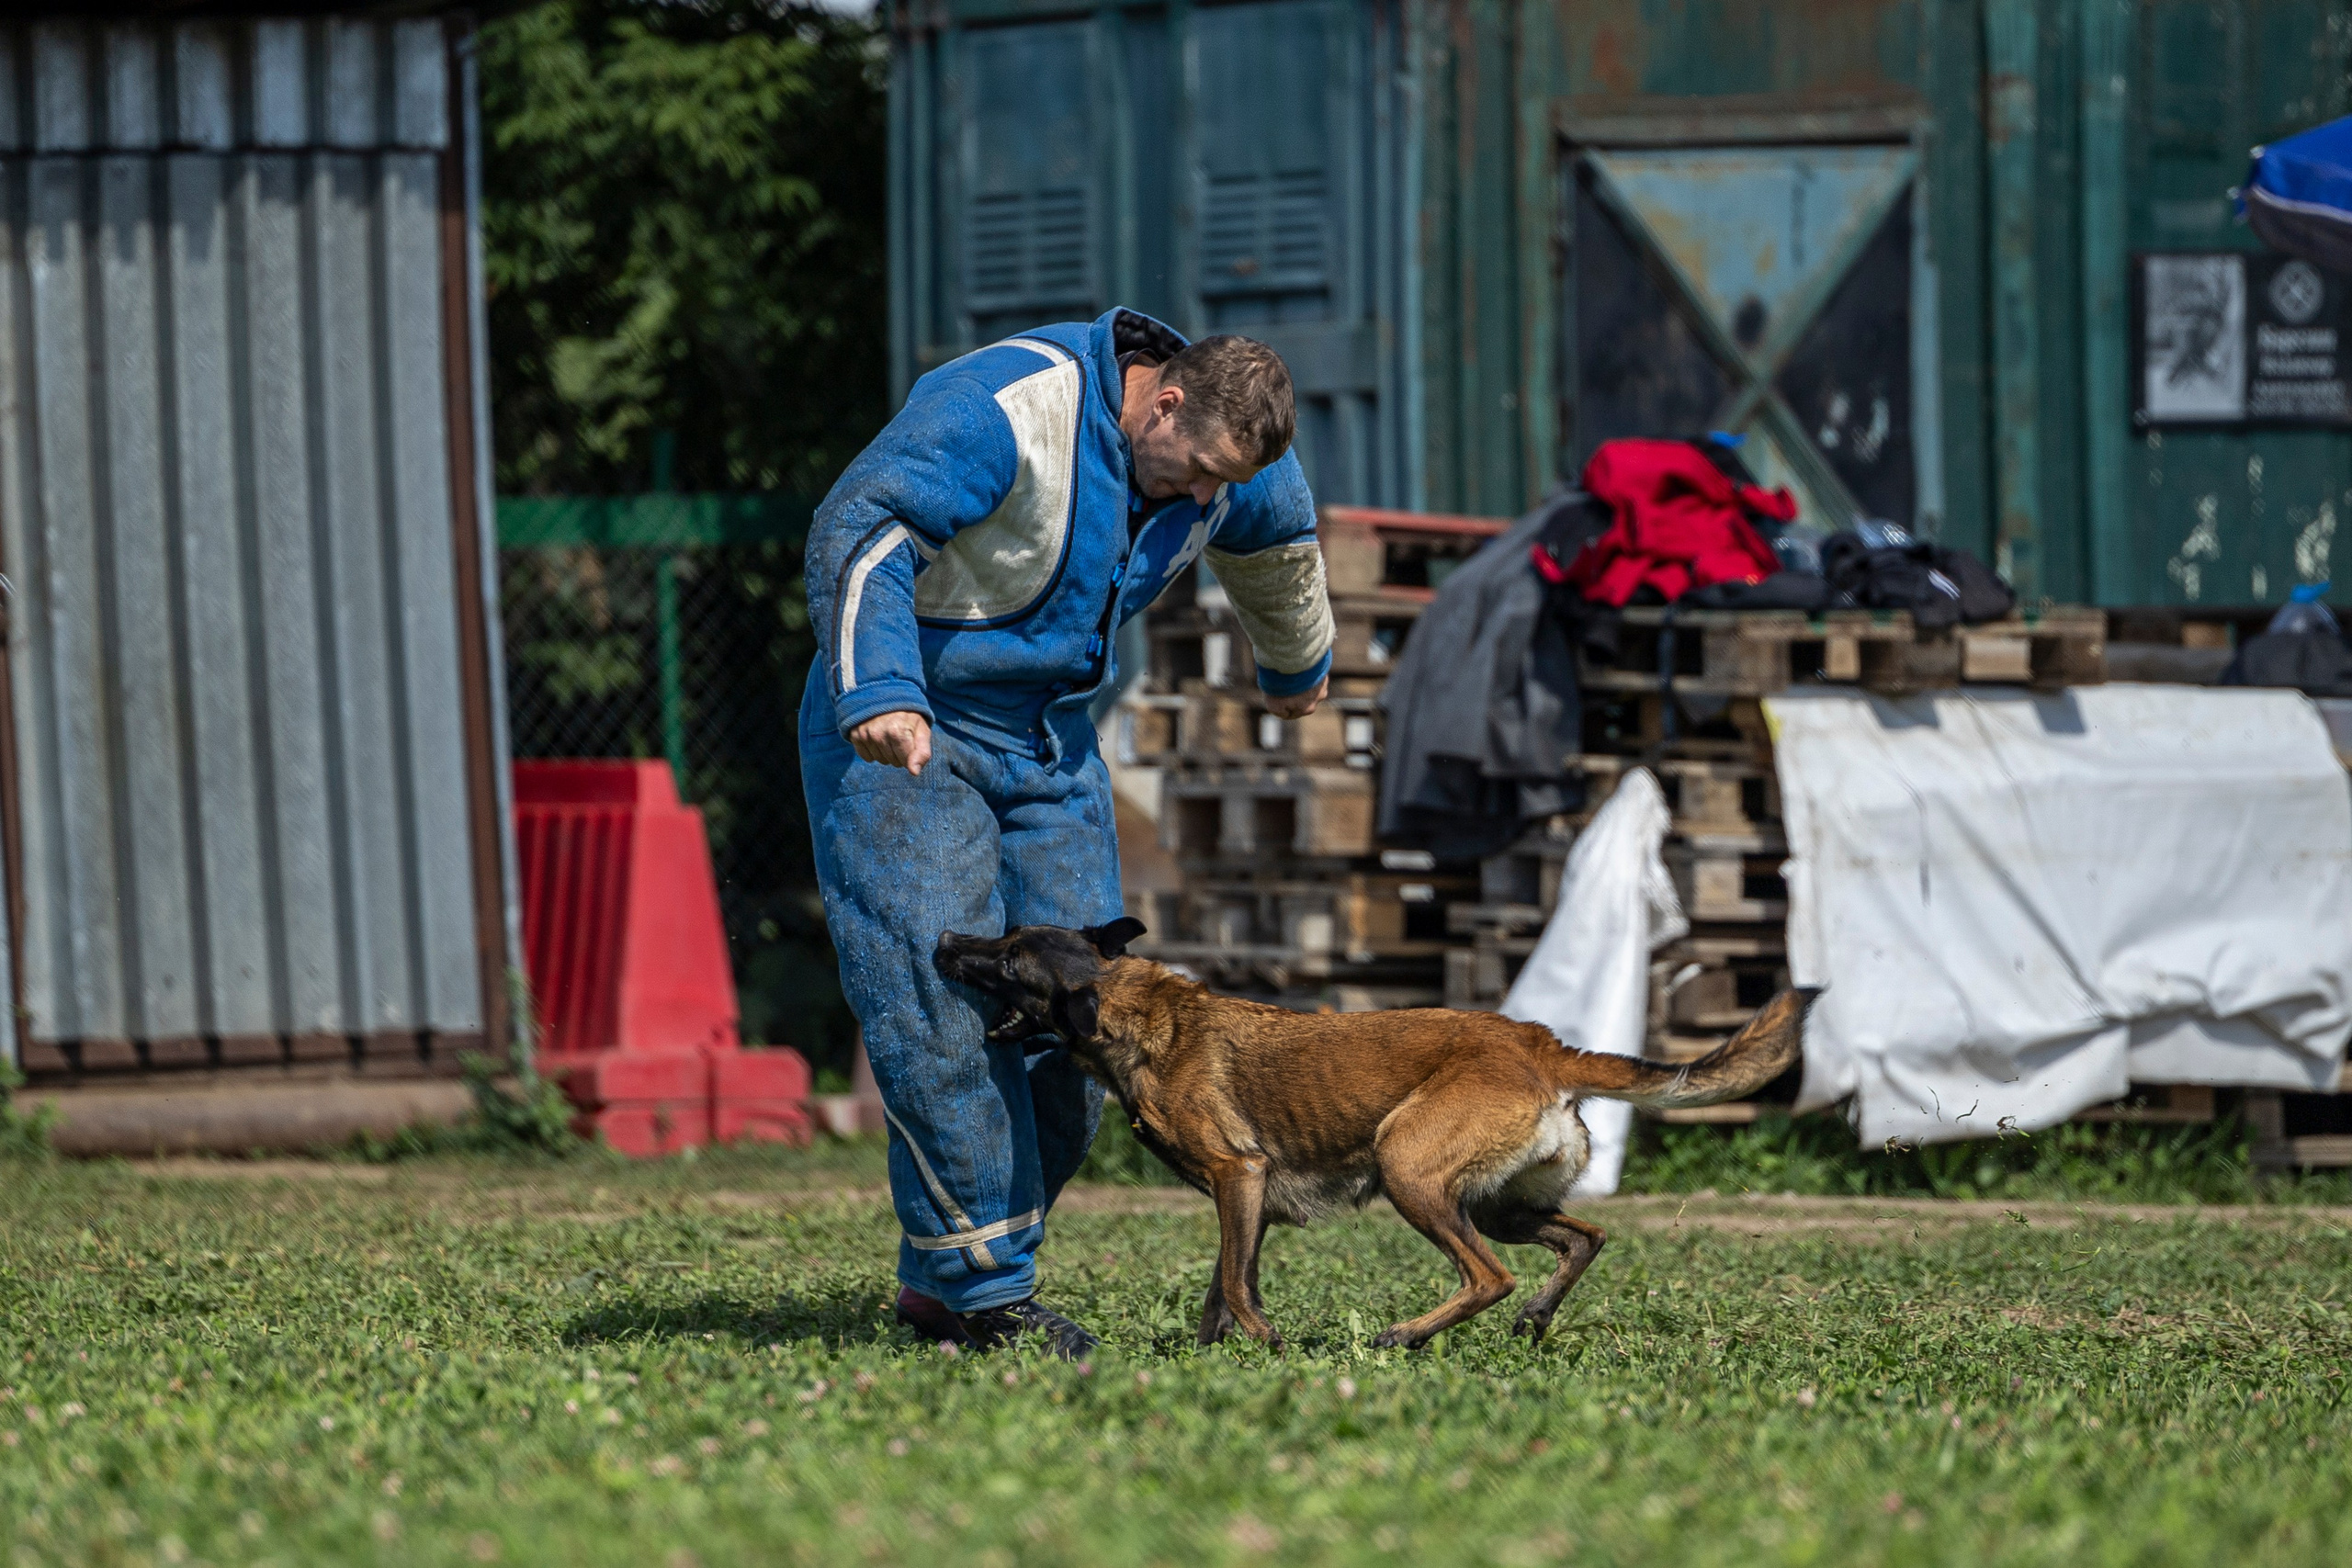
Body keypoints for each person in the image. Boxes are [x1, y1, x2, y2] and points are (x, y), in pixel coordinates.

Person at [799, 310, 1334, 1357]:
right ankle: (988, 1295)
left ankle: (947, 1278)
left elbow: (1279, 545)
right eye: (1197, 473)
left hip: (1049, 743)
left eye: (1223, 484)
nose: (1206, 500)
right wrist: (881, 688)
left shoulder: (1230, 462)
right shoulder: (1005, 405)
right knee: (943, 1002)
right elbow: (861, 524)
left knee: (1088, 1017)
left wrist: (1296, 668)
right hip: (912, 730)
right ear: (1163, 402)